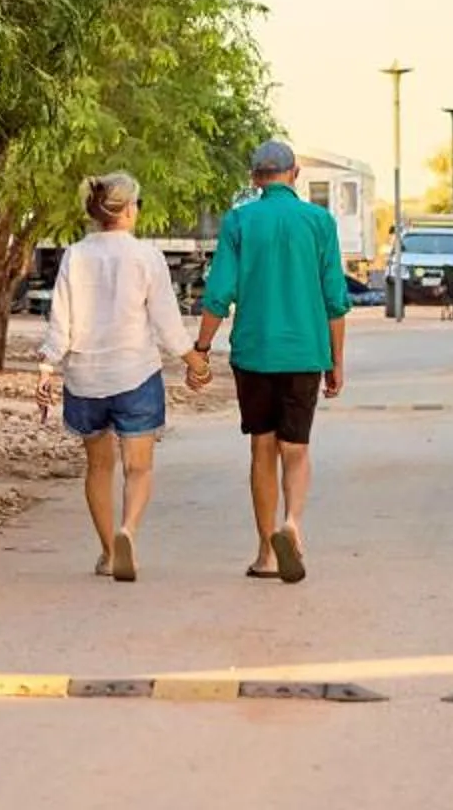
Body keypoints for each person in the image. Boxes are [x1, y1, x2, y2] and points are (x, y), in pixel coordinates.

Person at [185, 138, 350, 584]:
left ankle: (266, 553)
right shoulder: (319, 222)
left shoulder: (240, 221)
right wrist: (337, 362)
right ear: (294, 174)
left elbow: (220, 291)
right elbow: (335, 298)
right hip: (305, 351)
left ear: (256, 179)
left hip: (255, 351)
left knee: (262, 446)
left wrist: (200, 350)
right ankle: (292, 523)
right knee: (295, 449)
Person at [39, 170, 191, 583]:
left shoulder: (75, 255)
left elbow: (61, 320)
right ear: (125, 210)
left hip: (85, 377)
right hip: (135, 374)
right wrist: (192, 359)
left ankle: (108, 551)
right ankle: (128, 531)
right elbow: (165, 321)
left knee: (98, 467)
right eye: (136, 204)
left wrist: (47, 366)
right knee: (138, 468)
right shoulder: (146, 256)